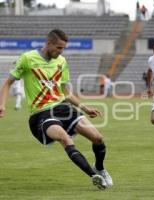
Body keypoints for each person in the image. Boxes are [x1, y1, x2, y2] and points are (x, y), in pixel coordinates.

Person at [0, 29, 113, 189]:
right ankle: (94, 176)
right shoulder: (27, 58)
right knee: (66, 139)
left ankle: (99, 169)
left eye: (63, 48)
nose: (61, 51)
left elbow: (66, 92)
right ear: (48, 44)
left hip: (63, 108)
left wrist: (85, 107)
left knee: (98, 139)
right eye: (59, 48)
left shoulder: (61, 62)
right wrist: (2, 104)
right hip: (41, 114)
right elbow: (7, 83)